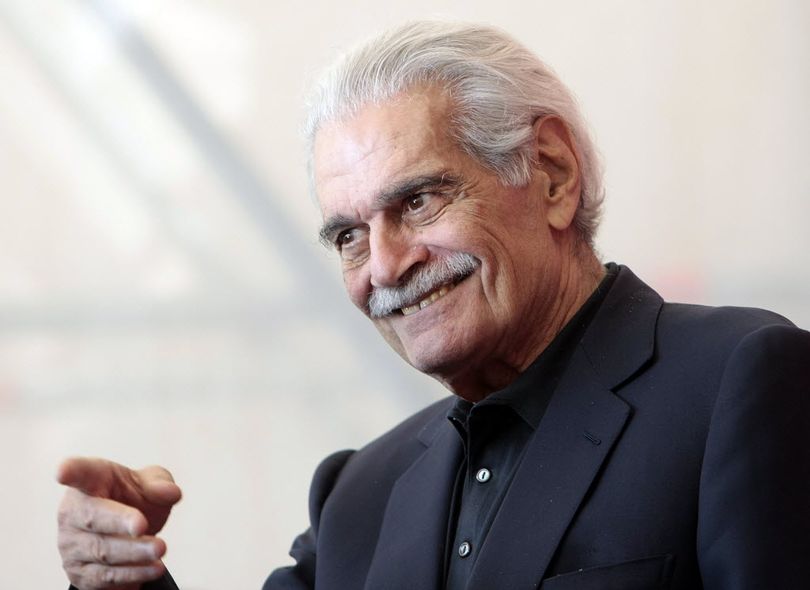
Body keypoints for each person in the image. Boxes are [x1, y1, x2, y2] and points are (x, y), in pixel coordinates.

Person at [56, 21, 810, 590]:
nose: (384, 266)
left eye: (417, 201)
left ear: (551, 174)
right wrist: (127, 578)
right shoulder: (360, 494)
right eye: (349, 235)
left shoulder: (740, 384)